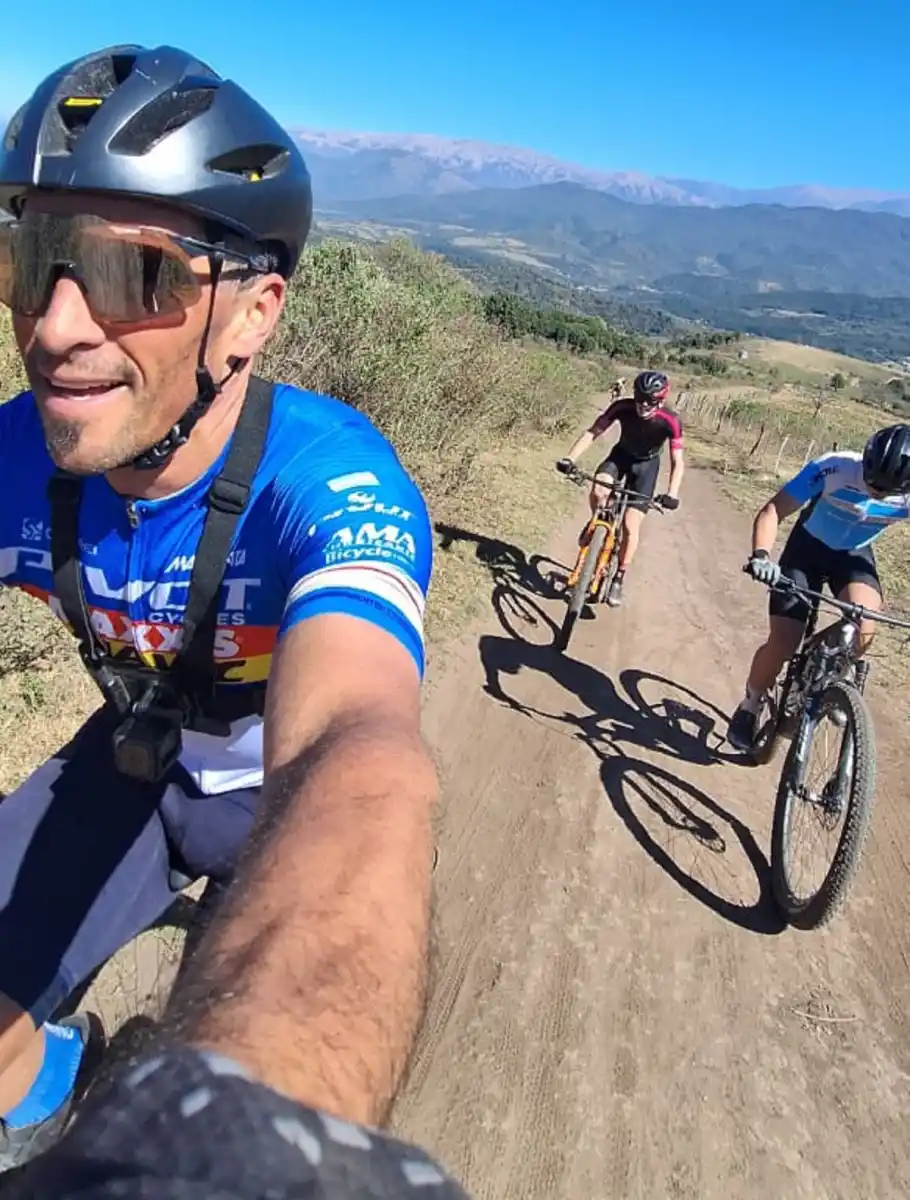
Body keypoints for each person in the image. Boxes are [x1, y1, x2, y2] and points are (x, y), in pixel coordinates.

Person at [0, 43, 438, 1171]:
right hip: (136, 760)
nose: (53, 328)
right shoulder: (11, 455)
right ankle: (60, 1073)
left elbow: (360, 750)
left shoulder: (330, 481)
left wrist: (251, 1149)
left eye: (134, 274)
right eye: (29, 255)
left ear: (250, 314)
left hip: (275, 793)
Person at [727, 424, 910, 751]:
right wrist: (761, 556)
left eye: (886, 491)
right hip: (806, 551)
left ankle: (835, 674)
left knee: (865, 625)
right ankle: (750, 705)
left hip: (852, 556)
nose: (875, 492)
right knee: (784, 641)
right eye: (870, 481)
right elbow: (773, 510)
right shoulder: (835, 466)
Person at [555, 370, 684, 607]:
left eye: (650, 400)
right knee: (598, 490)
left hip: (647, 467)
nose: (643, 405)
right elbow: (594, 432)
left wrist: (672, 493)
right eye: (639, 398)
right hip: (620, 456)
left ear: (661, 400)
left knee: (629, 525)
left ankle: (619, 577)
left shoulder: (671, 421)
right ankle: (597, 519)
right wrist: (570, 459)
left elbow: (677, 461)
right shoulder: (621, 408)